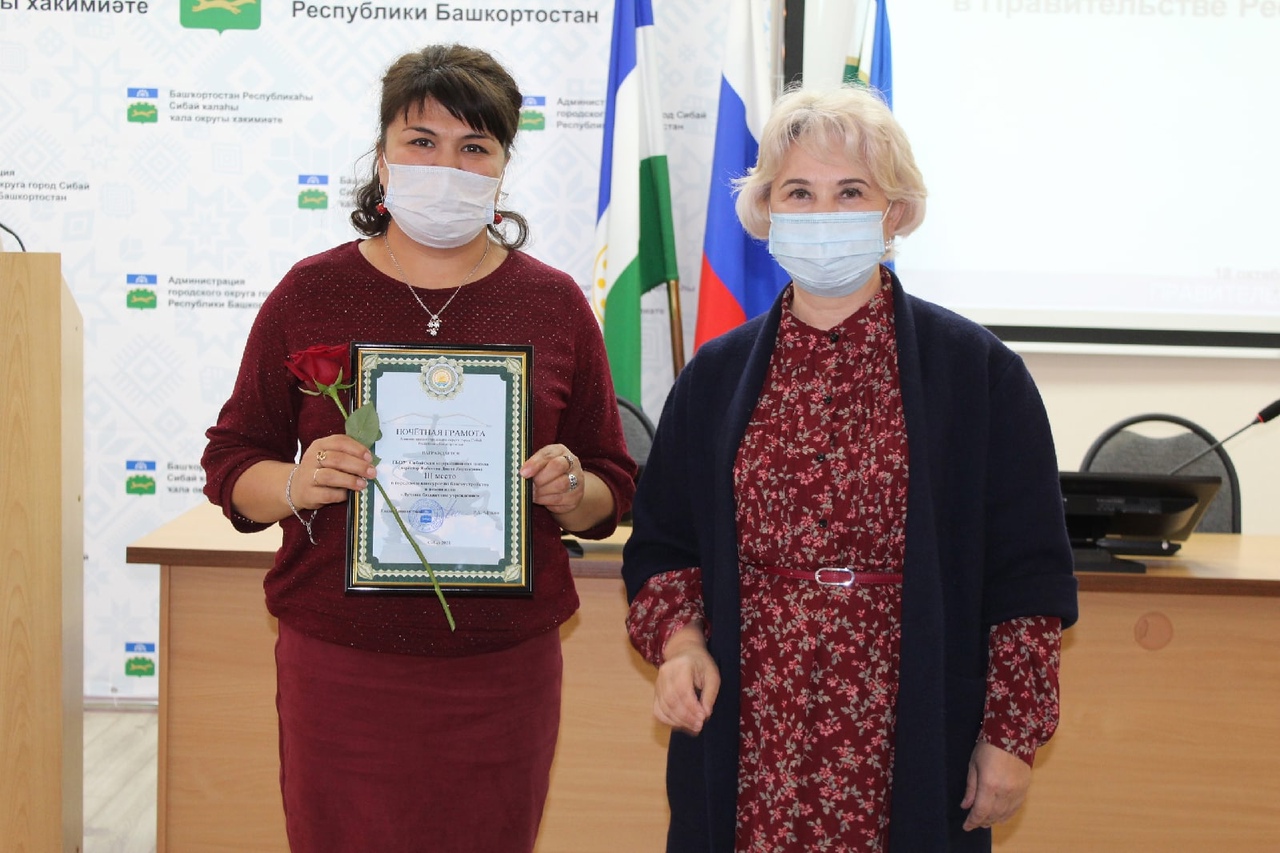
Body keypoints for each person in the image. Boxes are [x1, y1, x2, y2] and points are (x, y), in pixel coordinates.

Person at [201, 44, 636, 853]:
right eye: (421, 141)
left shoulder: (552, 301)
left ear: (502, 168)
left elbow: (613, 479)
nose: (447, 166)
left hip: (501, 666)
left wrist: (575, 488)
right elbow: (232, 460)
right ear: (382, 157)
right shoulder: (311, 291)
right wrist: (298, 481)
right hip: (342, 659)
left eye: (474, 146)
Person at [621, 84, 1079, 852]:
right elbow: (665, 547)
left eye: (851, 192)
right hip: (752, 725)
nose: (823, 212)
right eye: (799, 192)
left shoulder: (979, 373)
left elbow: (1026, 576)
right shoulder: (714, 377)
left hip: (910, 723)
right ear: (766, 210)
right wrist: (681, 644)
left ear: (894, 212)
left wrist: (1011, 734)